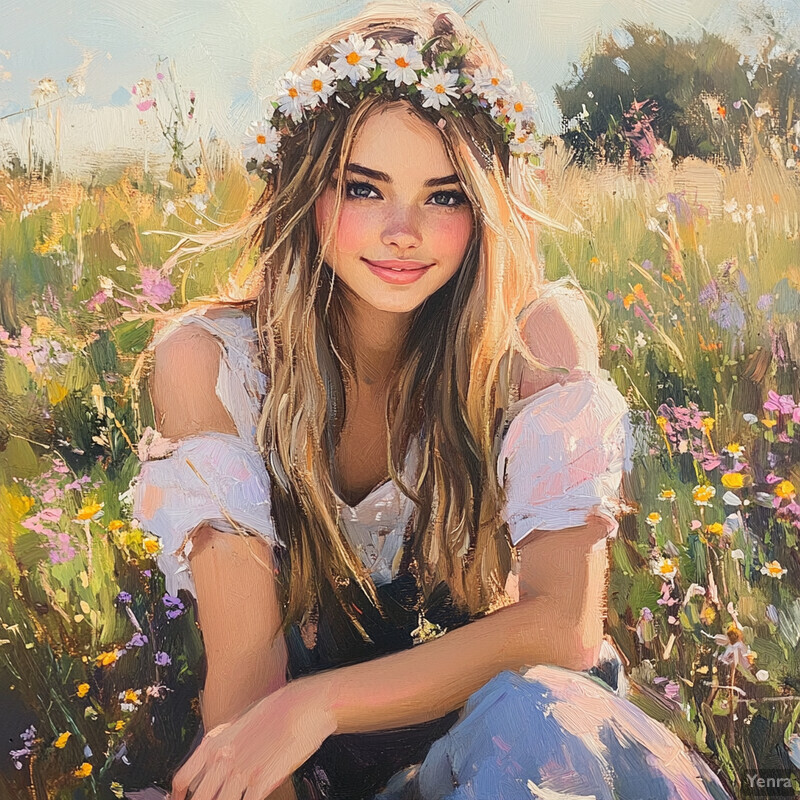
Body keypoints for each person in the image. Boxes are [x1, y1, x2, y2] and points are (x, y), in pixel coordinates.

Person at [132, 3, 732, 799]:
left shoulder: (534, 340)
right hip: (337, 779)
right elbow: (245, 711)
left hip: (539, 758)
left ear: (483, 204)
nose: (403, 230)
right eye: (363, 188)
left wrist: (322, 702)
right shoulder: (213, 365)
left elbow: (563, 626)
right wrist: (292, 723)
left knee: (534, 715)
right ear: (305, 191)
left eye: (444, 196)